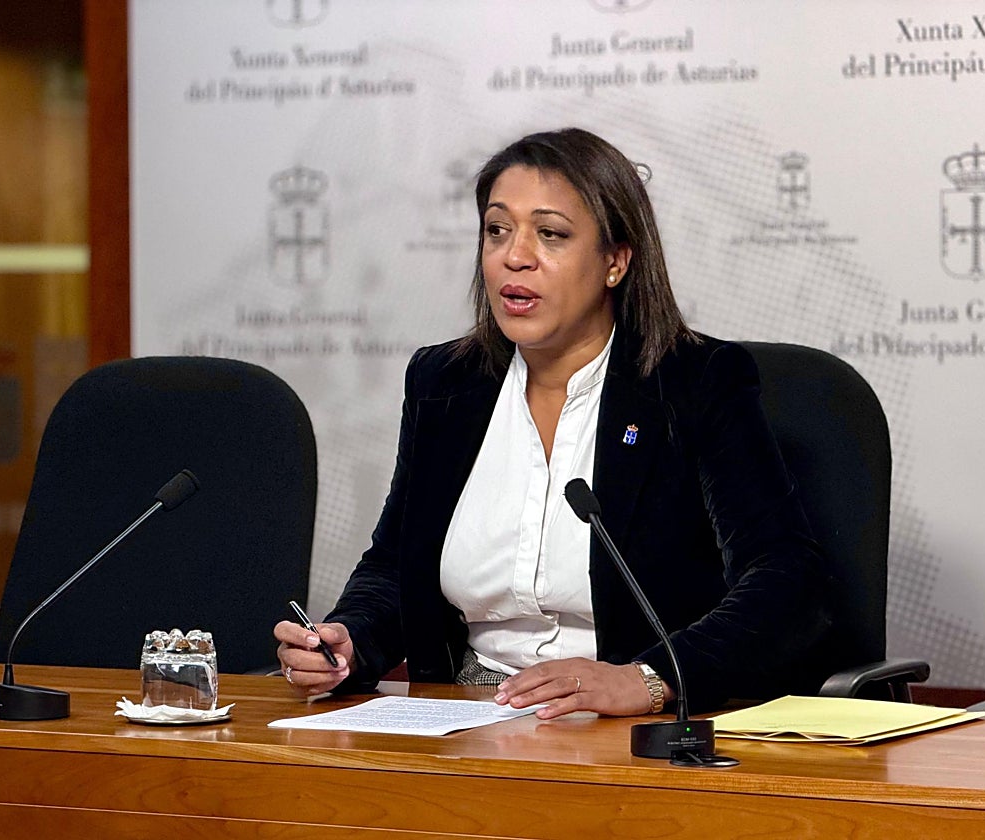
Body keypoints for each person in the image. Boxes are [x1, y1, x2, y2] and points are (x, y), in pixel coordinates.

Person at [274, 127, 834, 717]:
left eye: (551, 234)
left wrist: (651, 678)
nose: (514, 256)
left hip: (639, 718)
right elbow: (395, 566)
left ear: (615, 261)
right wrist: (349, 640)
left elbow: (788, 580)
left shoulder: (695, 382)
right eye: (497, 230)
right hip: (469, 713)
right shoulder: (445, 384)